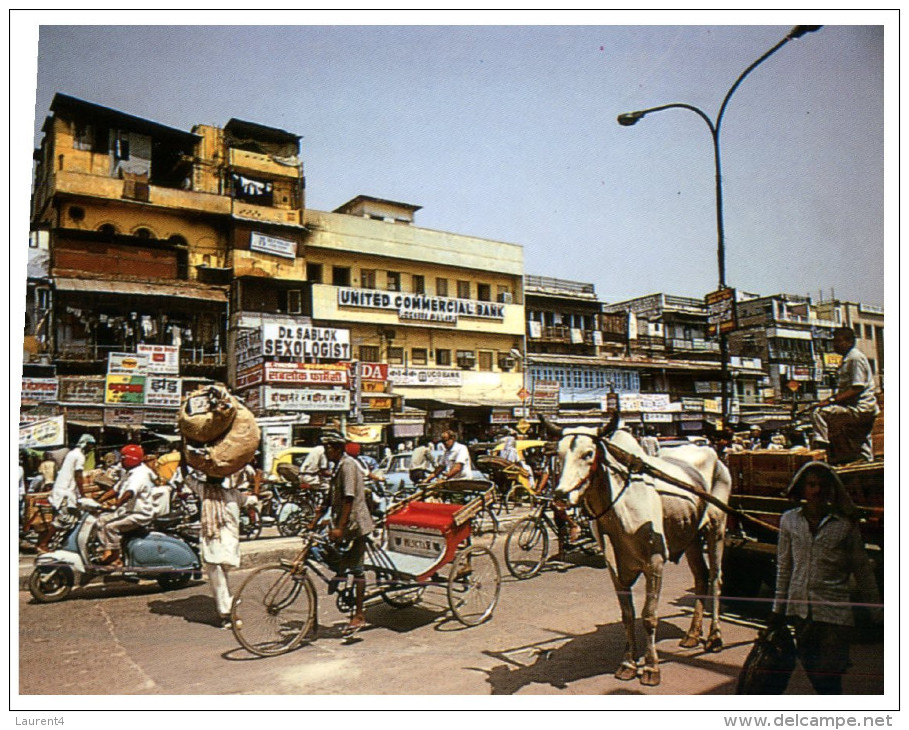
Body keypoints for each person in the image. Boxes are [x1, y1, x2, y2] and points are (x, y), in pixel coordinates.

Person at [768, 461, 882, 694]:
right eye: (811, 485)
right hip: (802, 614)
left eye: (821, 485)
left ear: (830, 490)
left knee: (829, 678)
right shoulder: (789, 521)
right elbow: (784, 567)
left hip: (835, 616)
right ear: (802, 489)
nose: (816, 490)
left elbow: (862, 571)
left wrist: (877, 613)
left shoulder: (845, 525)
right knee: (813, 671)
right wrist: (777, 610)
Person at [179, 461, 259, 629]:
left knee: (221, 576)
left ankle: (229, 608)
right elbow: (187, 477)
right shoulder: (207, 491)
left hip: (226, 541)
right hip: (215, 541)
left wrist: (257, 481)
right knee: (219, 577)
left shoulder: (230, 493)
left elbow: (251, 501)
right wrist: (183, 454)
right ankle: (227, 612)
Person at [311, 430, 375, 635]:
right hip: (343, 522)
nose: (326, 452)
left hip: (355, 525)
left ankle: (359, 614)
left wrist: (339, 527)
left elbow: (348, 498)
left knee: (357, 571)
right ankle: (340, 572)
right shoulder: (337, 466)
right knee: (324, 549)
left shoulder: (348, 466)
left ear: (337, 448)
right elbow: (331, 497)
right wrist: (315, 519)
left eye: (328, 448)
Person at [811, 327, 879, 465]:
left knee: (819, 413)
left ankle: (821, 449)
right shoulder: (848, 358)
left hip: (860, 408)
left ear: (849, 341)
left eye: (838, 341)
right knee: (859, 439)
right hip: (863, 409)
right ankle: (867, 463)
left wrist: (830, 401)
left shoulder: (854, 358)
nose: (834, 345)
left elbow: (857, 387)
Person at [95, 444, 158, 566]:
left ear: (130, 459)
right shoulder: (129, 472)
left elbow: (129, 493)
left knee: (110, 527)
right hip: (128, 511)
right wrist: (99, 500)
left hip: (140, 514)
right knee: (101, 520)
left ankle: (116, 557)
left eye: (123, 458)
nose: (121, 461)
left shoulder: (140, 474)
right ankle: (106, 551)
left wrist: (116, 505)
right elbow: (116, 489)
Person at [38, 434, 96, 553]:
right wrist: (82, 493)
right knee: (62, 519)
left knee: (74, 519)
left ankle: (64, 544)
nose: (92, 448)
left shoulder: (72, 453)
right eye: (90, 445)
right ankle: (44, 543)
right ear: (85, 443)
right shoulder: (79, 456)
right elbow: (78, 475)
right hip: (65, 492)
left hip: (63, 490)